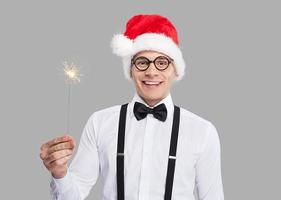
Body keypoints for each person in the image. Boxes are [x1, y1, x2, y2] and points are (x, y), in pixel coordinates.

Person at [40, 14, 224, 200]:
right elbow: (72, 196)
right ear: (130, 69)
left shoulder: (202, 131)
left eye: (162, 63)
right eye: (142, 62)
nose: (151, 72)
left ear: (175, 70)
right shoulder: (100, 122)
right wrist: (59, 173)